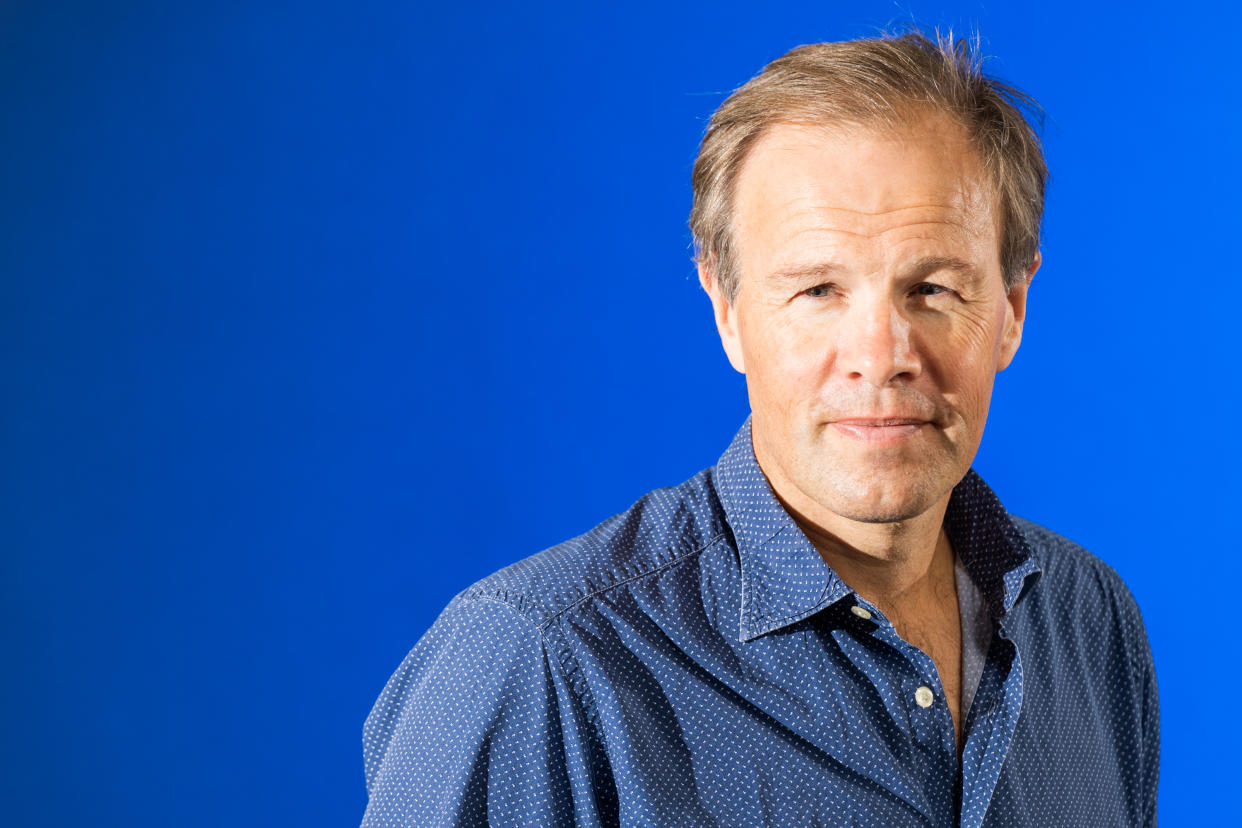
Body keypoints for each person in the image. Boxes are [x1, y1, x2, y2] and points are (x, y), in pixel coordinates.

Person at [361, 30, 1159, 828]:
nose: (881, 358)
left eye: (934, 289)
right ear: (728, 312)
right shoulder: (538, 664)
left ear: (1012, 309)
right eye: (816, 289)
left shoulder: (1089, 623)